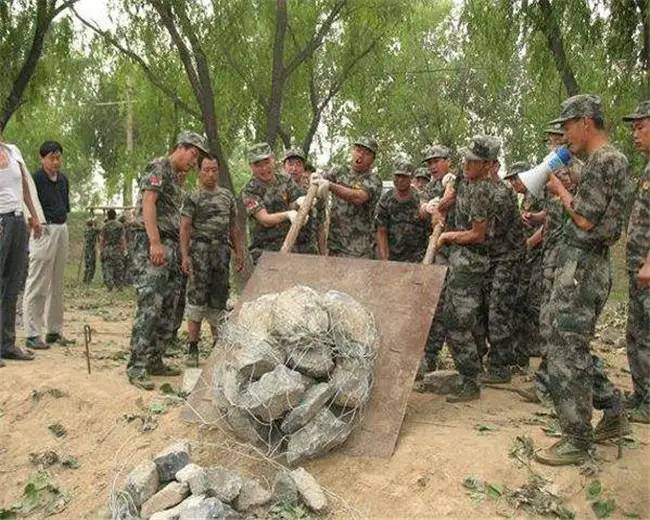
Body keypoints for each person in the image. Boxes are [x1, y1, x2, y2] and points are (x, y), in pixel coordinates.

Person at [536, 94, 631, 466]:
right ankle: (612, 408)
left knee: (565, 350)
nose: (564, 136)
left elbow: (586, 219)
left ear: (585, 122)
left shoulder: (606, 161)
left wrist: (560, 191)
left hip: (584, 268)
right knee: (573, 347)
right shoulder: (605, 161)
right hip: (585, 266)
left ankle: (577, 438)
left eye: (568, 127)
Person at [126, 131, 208, 390]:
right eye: (193, 155)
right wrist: (154, 242)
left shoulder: (175, 177)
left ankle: (154, 359)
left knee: (169, 305)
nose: (194, 162)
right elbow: (149, 202)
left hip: (171, 245)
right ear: (180, 147)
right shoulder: (158, 166)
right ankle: (137, 365)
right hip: (154, 244)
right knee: (151, 303)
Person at [435, 135, 498, 402]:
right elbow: (446, 204)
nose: (466, 164)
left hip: (471, 264)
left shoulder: (483, 190)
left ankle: (471, 378)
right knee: (453, 318)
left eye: (473, 160)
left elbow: (478, 234)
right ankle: (468, 374)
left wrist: (449, 236)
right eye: (465, 158)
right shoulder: (466, 182)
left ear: (487, 165)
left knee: (457, 321)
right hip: (459, 261)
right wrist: (440, 206)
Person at [180, 155, 244, 366]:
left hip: (221, 251)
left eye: (214, 170)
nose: (210, 174)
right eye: (206, 170)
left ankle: (218, 346)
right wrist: (185, 255)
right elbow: (185, 227)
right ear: (199, 171)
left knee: (219, 298)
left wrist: (239, 252)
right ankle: (193, 347)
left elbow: (233, 226)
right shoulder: (193, 197)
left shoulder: (227, 197)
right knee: (197, 298)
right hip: (200, 251)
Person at [481, 143, 526, 383]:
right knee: (489, 306)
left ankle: (501, 365)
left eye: (486, 164)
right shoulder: (481, 189)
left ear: (495, 166)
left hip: (507, 257)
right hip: (493, 257)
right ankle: (498, 357)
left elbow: (486, 232)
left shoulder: (500, 192)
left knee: (499, 307)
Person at [23, 141, 72, 349]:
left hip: (61, 228)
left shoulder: (63, 180)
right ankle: (33, 333)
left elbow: (65, 206)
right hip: (43, 229)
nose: (55, 162)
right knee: (38, 282)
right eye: (51, 157)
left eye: (58, 157)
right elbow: (26, 202)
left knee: (57, 283)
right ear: (42, 158)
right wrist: (32, 223)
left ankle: (54, 330)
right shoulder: (35, 179)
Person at [0, 139, 43, 365]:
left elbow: (24, 185)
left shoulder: (13, 151)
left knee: (12, 284)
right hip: (1, 221)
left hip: (17, 221)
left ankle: (6, 344)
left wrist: (33, 215)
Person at [622, 101, 650, 424]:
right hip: (638, 269)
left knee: (646, 333)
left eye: (640, 126)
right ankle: (641, 393)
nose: (634, 133)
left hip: (646, 269)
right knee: (637, 332)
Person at [315, 137, 382, 258]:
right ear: (352, 151)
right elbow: (318, 181)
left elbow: (358, 197)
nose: (360, 156)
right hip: (335, 245)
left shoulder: (373, 179)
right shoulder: (339, 171)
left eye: (366, 153)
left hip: (359, 250)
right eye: (358, 150)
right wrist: (314, 180)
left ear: (372, 159)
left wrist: (330, 185)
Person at [240, 142, 304, 264]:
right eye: (258, 165)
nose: (264, 169)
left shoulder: (285, 180)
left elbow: (294, 203)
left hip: (290, 246)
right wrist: (288, 214)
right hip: (263, 253)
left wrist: (298, 203)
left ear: (273, 160)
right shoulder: (250, 190)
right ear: (251, 167)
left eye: (267, 162)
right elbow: (264, 219)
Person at [375, 165, 430, 262]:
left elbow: (428, 228)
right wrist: (384, 260)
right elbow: (381, 230)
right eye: (397, 176)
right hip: (393, 256)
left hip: (417, 257)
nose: (400, 180)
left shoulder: (420, 199)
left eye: (404, 177)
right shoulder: (386, 199)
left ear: (411, 179)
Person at [281, 147, 325, 254]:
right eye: (290, 164)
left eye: (298, 164)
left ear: (303, 168)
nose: (294, 168)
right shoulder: (275, 188)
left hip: (308, 251)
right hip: (282, 250)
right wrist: (295, 205)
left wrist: (323, 254)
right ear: (283, 167)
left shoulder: (312, 192)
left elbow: (320, 226)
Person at [100, 209, 126, 290]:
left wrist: (101, 250)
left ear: (108, 216)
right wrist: (124, 249)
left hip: (107, 249)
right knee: (119, 267)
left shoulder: (105, 226)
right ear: (115, 215)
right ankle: (119, 286)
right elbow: (122, 238)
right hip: (117, 248)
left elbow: (102, 239)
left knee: (108, 267)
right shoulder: (120, 225)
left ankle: (109, 286)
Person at [82, 218, 99, 284]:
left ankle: (85, 278)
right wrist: (95, 223)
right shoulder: (93, 230)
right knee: (92, 265)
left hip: (86, 249)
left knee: (87, 264)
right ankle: (89, 279)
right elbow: (100, 230)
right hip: (91, 249)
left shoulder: (86, 230)